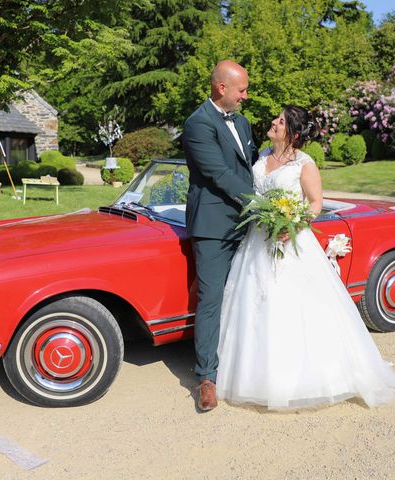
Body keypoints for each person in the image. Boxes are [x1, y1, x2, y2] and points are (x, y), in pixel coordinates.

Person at [216, 106, 395, 409]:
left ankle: (301, 378)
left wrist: (293, 225)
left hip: (291, 241)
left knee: (293, 305)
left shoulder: (305, 164)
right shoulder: (261, 155)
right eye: (276, 118)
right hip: (257, 241)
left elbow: (315, 204)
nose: (274, 122)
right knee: (254, 302)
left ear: (293, 132)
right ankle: (254, 375)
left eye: (281, 121)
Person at [182, 60, 259, 411]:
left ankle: (249, 363)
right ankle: (207, 378)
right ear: (221, 88)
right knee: (211, 298)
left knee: (251, 291)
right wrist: (260, 205)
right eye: (241, 89)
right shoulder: (197, 124)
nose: (245, 96)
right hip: (214, 227)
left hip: (249, 222)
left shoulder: (242, 122)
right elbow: (219, 173)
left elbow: (252, 165)